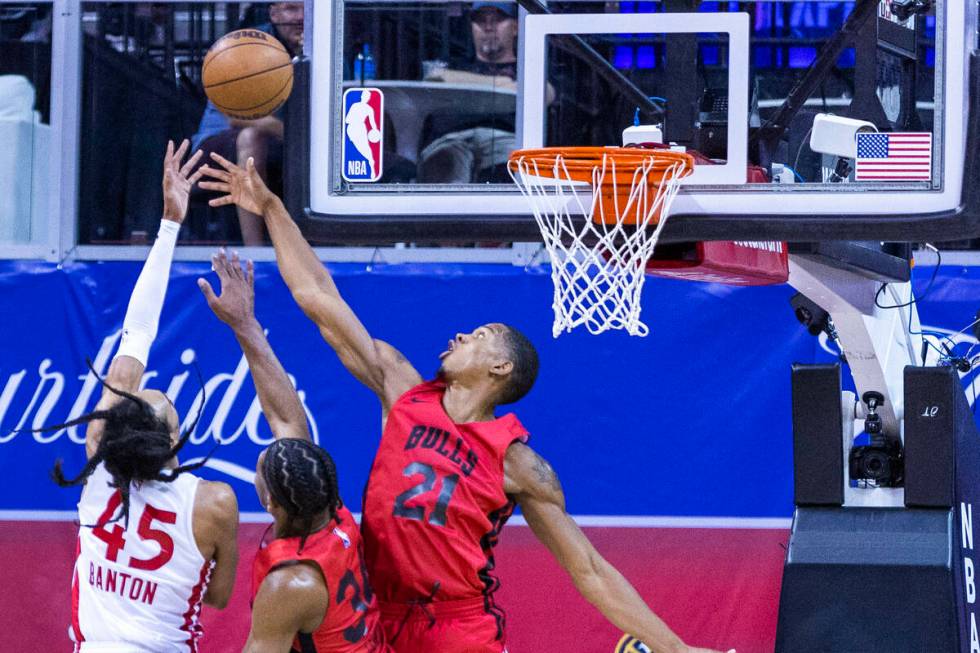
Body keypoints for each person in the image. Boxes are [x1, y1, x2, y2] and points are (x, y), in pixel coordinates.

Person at [197, 154, 736, 653]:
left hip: (458, 628)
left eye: (479, 335)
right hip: (378, 614)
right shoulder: (402, 389)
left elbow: (589, 570)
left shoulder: (517, 461)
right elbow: (319, 296)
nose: (459, 335)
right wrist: (272, 208)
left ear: (501, 368)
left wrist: (676, 648)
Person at [38, 140, 239, 652]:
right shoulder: (214, 502)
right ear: (174, 440)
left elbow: (134, 338)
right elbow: (218, 598)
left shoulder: (96, 467)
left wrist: (170, 222)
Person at [198, 250, 390, 652]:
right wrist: (245, 324)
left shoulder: (290, 583)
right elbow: (287, 421)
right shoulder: (330, 514)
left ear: (271, 504)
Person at [191, 2, 304, 245]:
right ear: (274, 14)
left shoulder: (327, 46)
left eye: (308, 10)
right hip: (219, 143)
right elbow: (236, 116)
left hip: (284, 143)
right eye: (292, 9)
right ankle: (255, 252)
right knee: (253, 138)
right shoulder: (249, 45)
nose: (301, 18)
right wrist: (288, 131)